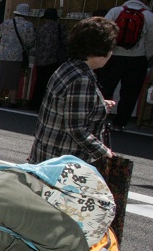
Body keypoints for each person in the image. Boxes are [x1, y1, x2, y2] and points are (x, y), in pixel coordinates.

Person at [29, 16, 117, 165]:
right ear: (100, 49)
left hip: (48, 152)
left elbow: (64, 106)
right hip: (65, 160)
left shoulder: (68, 67)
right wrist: (104, 152)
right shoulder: (81, 78)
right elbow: (76, 129)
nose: (112, 53)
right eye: (111, 47)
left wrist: (99, 104)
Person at [100, 0, 153, 130]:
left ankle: (98, 118)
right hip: (137, 59)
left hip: (114, 56)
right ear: (145, 0)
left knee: (105, 88)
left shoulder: (116, 11)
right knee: (129, 92)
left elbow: (102, 31)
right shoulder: (149, 16)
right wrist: (148, 56)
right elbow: (150, 40)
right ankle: (120, 123)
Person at [0, 3, 36, 107]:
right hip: (16, 55)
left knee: (0, 76)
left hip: (3, 54)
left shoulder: (7, 22)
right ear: (26, 14)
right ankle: (12, 101)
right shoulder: (28, 25)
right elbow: (30, 41)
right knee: (13, 78)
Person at [28, 9, 67, 110]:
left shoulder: (40, 28)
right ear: (56, 18)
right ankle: (48, 104)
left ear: (45, 18)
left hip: (40, 59)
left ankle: (35, 103)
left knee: (39, 81)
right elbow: (65, 42)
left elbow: (34, 42)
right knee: (52, 83)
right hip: (54, 59)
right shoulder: (60, 27)